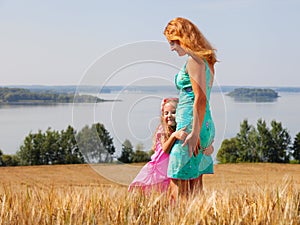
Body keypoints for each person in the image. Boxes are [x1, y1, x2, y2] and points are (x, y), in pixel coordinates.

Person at [163, 17, 217, 200]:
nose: (171, 48)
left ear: (182, 37)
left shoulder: (193, 61)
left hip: (189, 128)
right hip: (205, 125)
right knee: (195, 191)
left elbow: (200, 99)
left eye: (173, 43)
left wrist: (194, 134)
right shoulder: (208, 61)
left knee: (177, 190)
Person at [128, 98, 188, 193]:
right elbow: (165, 150)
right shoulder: (163, 130)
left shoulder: (178, 129)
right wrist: (173, 136)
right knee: (155, 191)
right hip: (159, 167)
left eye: (173, 112)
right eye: (166, 113)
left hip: (170, 168)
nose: (169, 116)